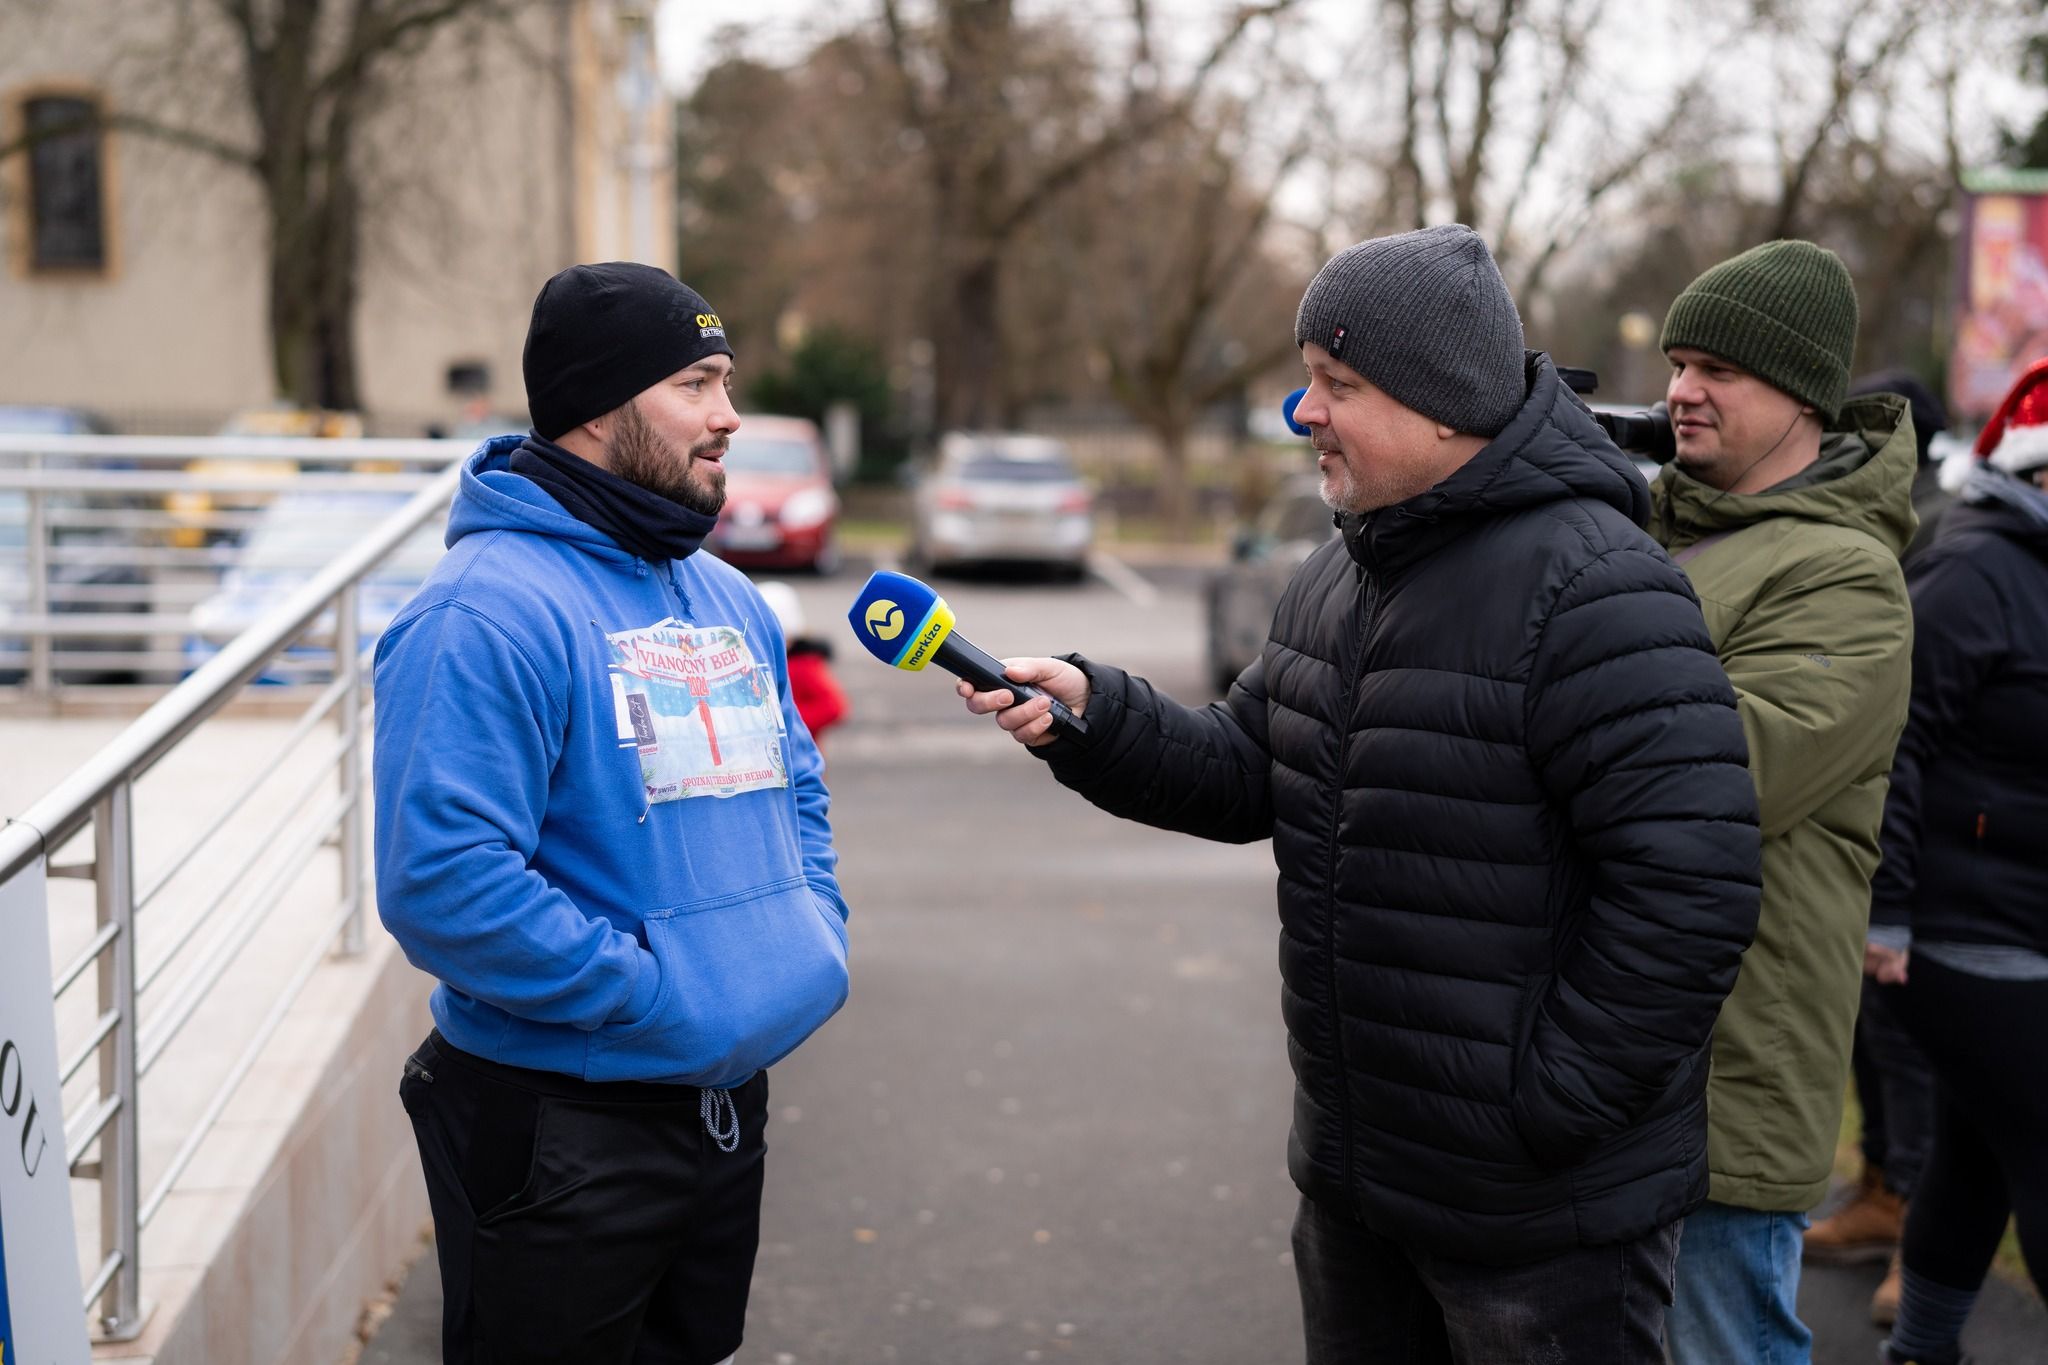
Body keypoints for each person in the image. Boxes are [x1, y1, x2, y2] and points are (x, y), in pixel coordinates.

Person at [953, 224, 1762, 1365]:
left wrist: (1548, 1108)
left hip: (1537, 1217)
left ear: (1443, 406)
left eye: (1338, 384)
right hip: (1360, 1186)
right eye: (1306, 380)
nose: (1305, 413)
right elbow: (1247, 767)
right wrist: (1098, 713)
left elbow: (1691, 890)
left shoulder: (1596, 586)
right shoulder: (1340, 568)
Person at [373, 262, 852, 1365]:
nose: (728, 415)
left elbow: (797, 787)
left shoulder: (724, 595)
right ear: (597, 406)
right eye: (696, 383)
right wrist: (650, 995)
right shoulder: (481, 613)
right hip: (559, 1126)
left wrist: (810, 926)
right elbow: (444, 883)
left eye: (724, 381)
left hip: (719, 1110)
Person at [1644, 240, 1918, 1365]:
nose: (1680, 389)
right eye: (1676, 363)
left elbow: (1729, 772)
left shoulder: (1845, 574)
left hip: (1734, 1068)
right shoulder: (1668, 530)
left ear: (1802, 394)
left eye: (1717, 369)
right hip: (1627, 1054)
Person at [1868, 357, 2048, 1365]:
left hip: (2021, 917)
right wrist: (1886, 910)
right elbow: (1889, 740)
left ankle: (1919, 1350)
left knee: (1977, 1148)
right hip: (1957, 926)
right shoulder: (1973, 570)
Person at [1806, 369, 1949, 1327]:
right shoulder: (1889, 517)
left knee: (1906, 1037)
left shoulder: (1933, 529)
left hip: (1922, 827)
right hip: (1877, 815)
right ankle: (1885, 1193)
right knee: (1867, 1023)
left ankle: (1923, 1234)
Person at [757, 580, 850, 747]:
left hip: (798, 752)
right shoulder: (763, 664)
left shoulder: (803, 666)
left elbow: (834, 706)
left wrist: (784, 722)